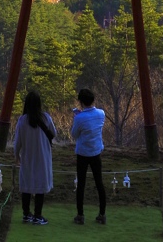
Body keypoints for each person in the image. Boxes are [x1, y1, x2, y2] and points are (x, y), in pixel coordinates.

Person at [13, 90, 56, 226]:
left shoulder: (22, 120)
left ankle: (26, 214)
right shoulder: (46, 118)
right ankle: (38, 215)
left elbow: (17, 142)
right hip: (43, 157)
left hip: (27, 157)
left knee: (26, 185)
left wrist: (16, 156)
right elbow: (53, 133)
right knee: (40, 185)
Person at [71, 87, 106, 225]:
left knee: (81, 184)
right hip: (96, 152)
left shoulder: (79, 118)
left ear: (81, 102)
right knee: (99, 183)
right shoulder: (101, 113)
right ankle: (102, 214)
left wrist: (77, 117)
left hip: (83, 154)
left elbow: (74, 135)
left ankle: (80, 215)